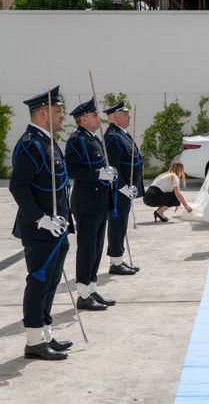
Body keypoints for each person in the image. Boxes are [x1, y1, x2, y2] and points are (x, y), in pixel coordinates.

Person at [9, 86, 73, 360]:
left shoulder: (47, 140)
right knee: (38, 282)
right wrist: (41, 218)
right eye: (58, 111)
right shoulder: (30, 145)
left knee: (51, 282)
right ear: (42, 113)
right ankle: (33, 341)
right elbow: (18, 187)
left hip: (56, 228)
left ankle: (45, 333)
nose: (62, 116)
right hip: (40, 230)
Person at [65, 98, 118, 311]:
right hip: (86, 203)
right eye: (95, 115)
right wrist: (98, 174)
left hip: (100, 202)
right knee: (87, 249)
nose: (99, 118)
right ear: (83, 118)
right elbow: (72, 170)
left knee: (96, 249)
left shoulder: (94, 139)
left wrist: (108, 173)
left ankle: (92, 288)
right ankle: (83, 294)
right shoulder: (76, 140)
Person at [104, 100, 144, 276]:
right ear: (115, 117)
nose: (129, 116)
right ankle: (115, 261)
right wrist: (122, 187)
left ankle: (119, 258)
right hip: (118, 192)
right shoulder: (112, 136)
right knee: (117, 224)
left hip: (128, 189)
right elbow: (113, 166)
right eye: (125, 114)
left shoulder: (122, 134)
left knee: (121, 224)